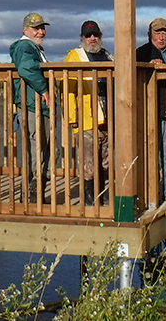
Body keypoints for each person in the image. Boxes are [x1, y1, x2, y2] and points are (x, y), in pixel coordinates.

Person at [64, 20, 114, 206]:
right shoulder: (74, 56)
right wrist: (71, 117)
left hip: (108, 118)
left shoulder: (108, 56)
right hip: (85, 118)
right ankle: (89, 199)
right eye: (88, 35)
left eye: (96, 35)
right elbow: (67, 88)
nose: (93, 38)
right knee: (88, 163)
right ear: (82, 38)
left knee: (106, 161)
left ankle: (102, 195)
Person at [137, 17, 166, 200]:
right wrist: (149, 67)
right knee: (151, 157)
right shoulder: (142, 52)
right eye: (157, 33)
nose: (161, 37)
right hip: (149, 113)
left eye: (164, 33)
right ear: (150, 35)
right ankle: (152, 196)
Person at [10, 12, 52, 203]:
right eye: (36, 28)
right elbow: (26, 68)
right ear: (25, 30)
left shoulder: (35, 48)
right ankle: (31, 197)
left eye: (42, 28)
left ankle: (35, 195)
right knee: (36, 150)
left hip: (38, 107)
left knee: (43, 149)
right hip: (31, 106)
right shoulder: (24, 46)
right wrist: (43, 89)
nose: (41, 31)